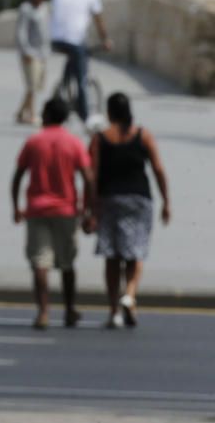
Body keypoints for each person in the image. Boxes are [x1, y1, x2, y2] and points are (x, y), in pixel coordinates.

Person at [11, 97, 95, 330]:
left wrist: (15, 206)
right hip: (66, 210)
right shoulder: (74, 143)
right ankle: (69, 310)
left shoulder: (34, 141)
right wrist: (89, 210)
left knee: (40, 262)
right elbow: (88, 178)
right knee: (67, 263)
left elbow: (18, 175)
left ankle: (43, 312)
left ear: (46, 114)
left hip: (37, 209)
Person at [89, 93, 170, 329]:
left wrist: (91, 208)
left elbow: (91, 175)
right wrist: (166, 201)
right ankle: (130, 294)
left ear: (109, 112)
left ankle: (114, 310)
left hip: (110, 199)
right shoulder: (142, 135)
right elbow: (158, 169)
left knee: (112, 256)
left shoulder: (100, 138)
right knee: (136, 251)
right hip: (139, 199)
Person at [49, 0, 113, 122]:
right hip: (75, 40)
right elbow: (98, 20)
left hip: (56, 39)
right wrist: (106, 39)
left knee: (72, 61)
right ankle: (86, 117)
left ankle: (64, 88)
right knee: (81, 79)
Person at [15, 0, 50, 125]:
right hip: (30, 53)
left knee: (36, 86)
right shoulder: (25, 9)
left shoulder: (45, 8)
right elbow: (20, 32)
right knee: (32, 86)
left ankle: (20, 112)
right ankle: (31, 114)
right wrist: (25, 51)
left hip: (43, 53)